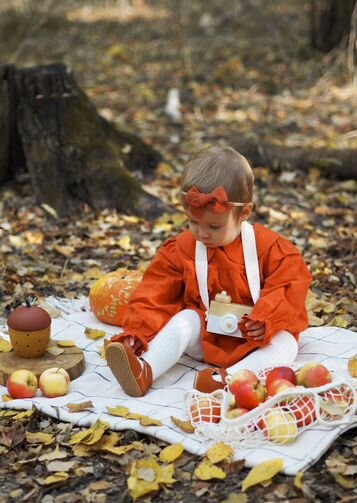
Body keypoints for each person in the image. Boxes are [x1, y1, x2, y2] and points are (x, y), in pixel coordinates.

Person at [105, 145, 312, 397]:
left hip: (255, 339)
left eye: (214, 226)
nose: (202, 233)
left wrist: (266, 317)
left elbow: (289, 284)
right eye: (193, 222)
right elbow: (155, 293)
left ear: (244, 212)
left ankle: (228, 381)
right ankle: (145, 369)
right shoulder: (183, 248)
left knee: (285, 343)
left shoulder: (269, 248)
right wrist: (138, 331)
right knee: (186, 320)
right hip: (208, 336)